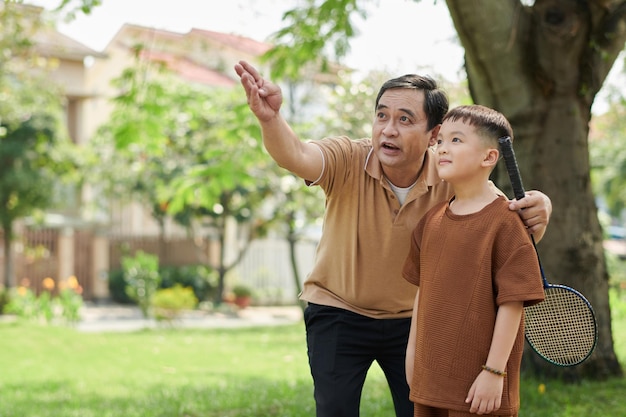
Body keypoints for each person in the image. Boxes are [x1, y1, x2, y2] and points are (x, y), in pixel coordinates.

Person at [234, 60, 552, 417]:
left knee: (419, 410)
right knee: (334, 409)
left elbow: (503, 220)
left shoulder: (452, 176)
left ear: (434, 135)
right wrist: (270, 119)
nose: (388, 129)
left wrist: (542, 206)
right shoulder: (348, 158)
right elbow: (296, 155)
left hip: (413, 322)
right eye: (382, 116)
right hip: (340, 309)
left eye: (404, 119)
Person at [402, 104, 546, 417]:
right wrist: (412, 354)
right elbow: (422, 295)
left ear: (489, 157)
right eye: (441, 141)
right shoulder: (430, 222)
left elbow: (512, 304)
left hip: (480, 388)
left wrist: (494, 373)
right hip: (430, 379)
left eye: (457, 140)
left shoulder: (506, 223)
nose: (442, 148)